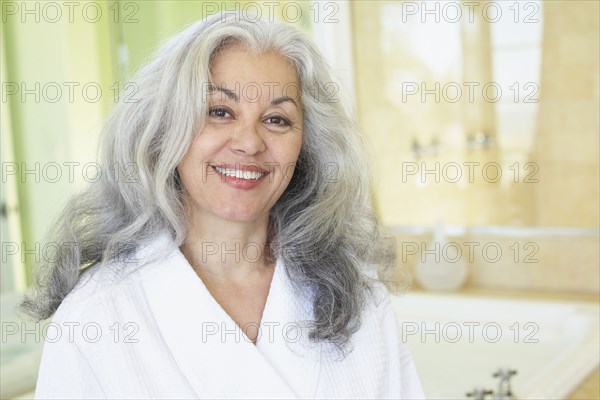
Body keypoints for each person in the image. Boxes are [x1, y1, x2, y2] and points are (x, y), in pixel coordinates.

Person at [22, 12, 425, 399]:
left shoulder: (355, 294)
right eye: (219, 112)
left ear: (306, 146)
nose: (249, 142)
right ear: (164, 128)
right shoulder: (97, 315)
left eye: (277, 119)